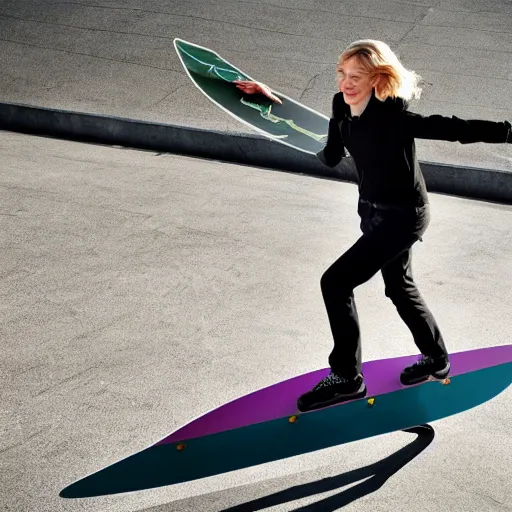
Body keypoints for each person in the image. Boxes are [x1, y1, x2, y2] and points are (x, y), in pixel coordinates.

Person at [234, 40, 512, 413]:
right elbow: (331, 154)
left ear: (378, 78)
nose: (346, 84)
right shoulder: (341, 107)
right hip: (373, 213)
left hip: (405, 215)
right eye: (342, 74)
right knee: (398, 286)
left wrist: (509, 132)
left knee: (335, 281)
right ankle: (436, 359)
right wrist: (267, 102)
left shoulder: (392, 115)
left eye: (357, 77)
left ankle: (347, 377)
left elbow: (452, 129)